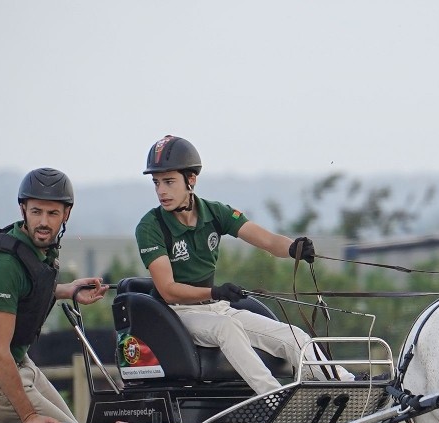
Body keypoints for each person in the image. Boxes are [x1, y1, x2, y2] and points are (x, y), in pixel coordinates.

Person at [134, 134, 352, 394]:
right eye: (157, 183)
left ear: (190, 180)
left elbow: (269, 241)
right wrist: (214, 291)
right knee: (227, 328)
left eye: (169, 182)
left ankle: (348, 386)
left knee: (294, 337)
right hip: (177, 314)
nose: (161, 191)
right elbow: (168, 289)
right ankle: (275, 399)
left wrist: (293, 248)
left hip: (217, 308)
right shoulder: (150, 227)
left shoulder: (215, 212)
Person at [0, 168, 109, 423]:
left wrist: (68, 289)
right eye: (36, 212)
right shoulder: (3, 264)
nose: (44, 222)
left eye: (52, 213)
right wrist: (29, 417)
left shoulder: (35, 250)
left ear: (66, 215)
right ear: (23, 209)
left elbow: (24, 291)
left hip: (18, 367)